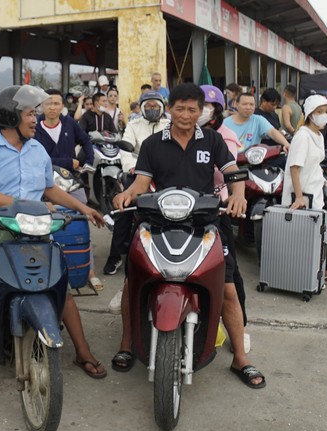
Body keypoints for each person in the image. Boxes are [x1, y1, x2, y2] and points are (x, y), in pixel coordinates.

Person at [111, 83, 266, 388]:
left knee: (228, 289)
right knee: (134, 281)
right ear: (169, 110)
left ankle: (240, 358)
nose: (185, 114)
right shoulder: (154, 144)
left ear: (202, 111)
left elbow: (234, 172)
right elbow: (141, 183)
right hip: (158, 222)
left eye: (191, 109)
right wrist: (126, 195)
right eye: (179, 108)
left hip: (206, 223)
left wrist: (237, 196)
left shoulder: (212, 140)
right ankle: (127, 345)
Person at [0, 84, 107, 379]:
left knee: (58, 281)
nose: (35, 119)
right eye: (29, 114)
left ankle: (82, 350)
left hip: (33, 229)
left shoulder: (38, 149)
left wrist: (83, 209)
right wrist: (31, 205)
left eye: (35, 113)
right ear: (11, 117)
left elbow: (49, 189)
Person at [104, 91, 169, 313]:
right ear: (141, 107)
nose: (152, 108)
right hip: (137, 172)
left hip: (164, 175)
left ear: (162, 106)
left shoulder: (170, 125)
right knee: (124, 208)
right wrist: (131, 167)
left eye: (155, 104)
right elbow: (126, 149)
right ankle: (115, 256)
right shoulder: (133, 125)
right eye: (148, 105)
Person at [199, 84, 250, 353]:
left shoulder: (223, 137)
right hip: (183, 210)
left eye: (205, 107)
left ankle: (241, 331)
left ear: (217, 110)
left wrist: (237, 195)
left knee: (229, 278)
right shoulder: (181, 135)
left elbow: (231, 171)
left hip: (217, 209)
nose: (197, 112)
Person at [35, 88, 102, 291]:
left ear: (62, 106)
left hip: (72, 182)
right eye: (48, 103)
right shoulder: (34, 126)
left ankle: (89, 271)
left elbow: (86, 141)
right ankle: (46, 271)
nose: (52, 107)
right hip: (45, 186)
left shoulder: (70, 123)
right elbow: (38, 158)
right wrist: (68, 161)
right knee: (44, 226)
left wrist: (87, 163)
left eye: (56, 103)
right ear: (42, 106)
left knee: (82, 222)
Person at [281, 94, 327, 287]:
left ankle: (320, 273)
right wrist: (298, 197)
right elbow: (294, 167)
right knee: (305, 238)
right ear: (309, 114)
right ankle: (323, 273)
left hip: (315, 191)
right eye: (319, 112)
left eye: (326, 112)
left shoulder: (317, 135)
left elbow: (313, 163)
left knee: (316, 236)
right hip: (303, 194)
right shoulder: (303, 135)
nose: (323, 115)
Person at [223, 93, 291, 152]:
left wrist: (286, 144)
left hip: (252, 162)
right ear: (236, 104)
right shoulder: (225, 123)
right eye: (245, 104)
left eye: (251, 104)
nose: (248, 107)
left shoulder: (258, 120)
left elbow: (272, 132)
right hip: (231, 163)